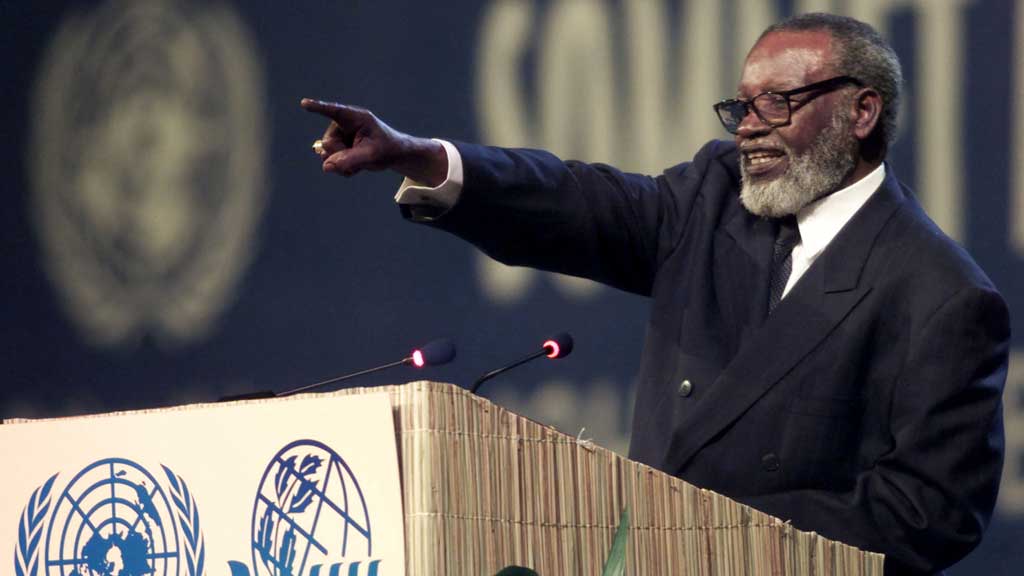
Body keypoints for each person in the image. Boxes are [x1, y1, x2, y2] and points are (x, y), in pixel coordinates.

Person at [301, 13, 1008, 575]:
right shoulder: (713, 198)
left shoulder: (939, 294)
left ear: (861, 113)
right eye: (743, 106)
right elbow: (576, 202)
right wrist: (421, 156)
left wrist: (717, 536)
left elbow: (929, 514)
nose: (749, 127)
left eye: (778, 104)